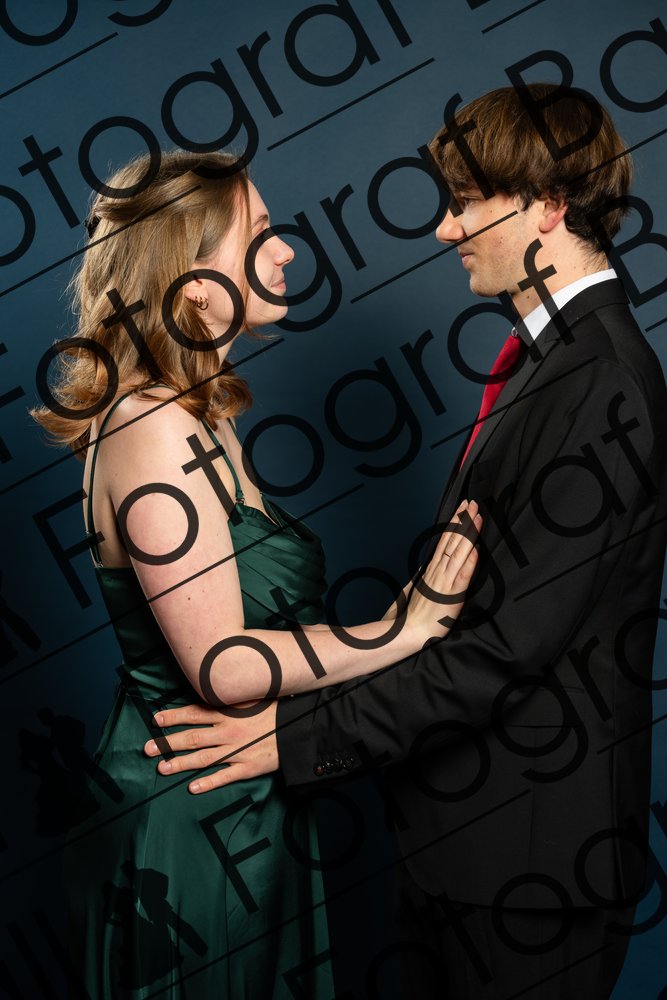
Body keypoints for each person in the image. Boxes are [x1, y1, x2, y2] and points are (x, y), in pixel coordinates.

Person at [149, 86, 667, 999]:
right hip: (464, 857)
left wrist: (292, 738)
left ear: (548, 206)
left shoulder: (600, 383)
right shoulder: (552, 362)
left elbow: (501, 653)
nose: (442, 229)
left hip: (529, 880)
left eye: (464, 203)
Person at [31, 149, 481, 998]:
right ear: (194, 281)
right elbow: (223, 665)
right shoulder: (151, 425)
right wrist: (404, 629)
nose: (287, 250)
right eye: (261, 232)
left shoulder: (201, 415)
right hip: (187, 814)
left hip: (242, 796)